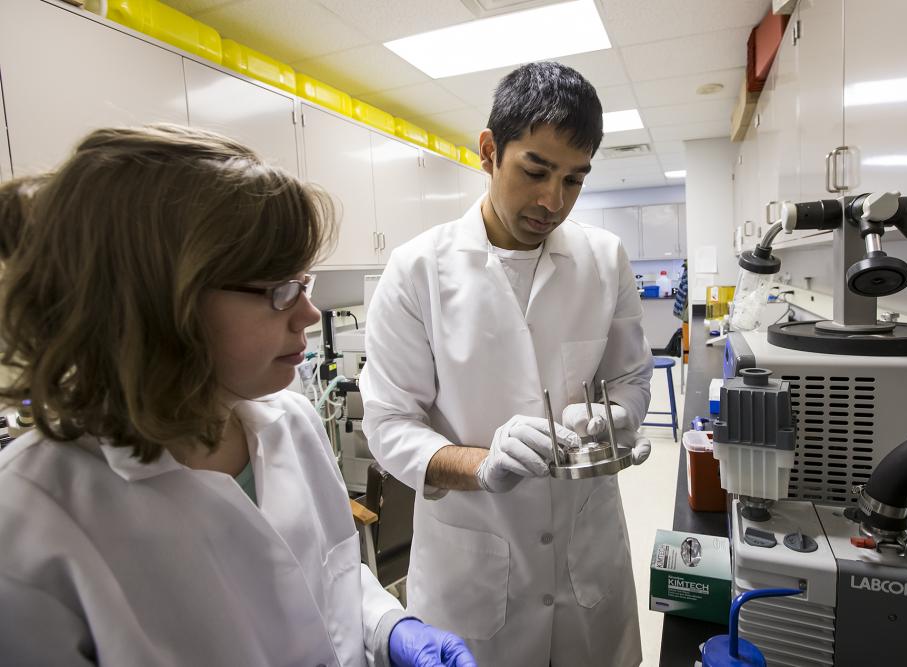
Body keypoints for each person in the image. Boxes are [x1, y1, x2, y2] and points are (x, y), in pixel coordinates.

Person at [0, 124, 476, 667]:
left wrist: (388, 624)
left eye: (304, 282)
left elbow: (328, 575)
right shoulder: (29, 522)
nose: (308, 314)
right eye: (278, 290)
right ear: (157, 303)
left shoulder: (289, 421)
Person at [361, 62, 653, 666]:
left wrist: (614, 419)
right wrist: (481, 465)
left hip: (586, 558)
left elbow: (630, 379)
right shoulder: (418, 272)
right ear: (490, 151)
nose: (553, 201)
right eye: (536, 171)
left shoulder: (605, 258)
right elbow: (389, 427)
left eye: (574, 180)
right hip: (471, 575)